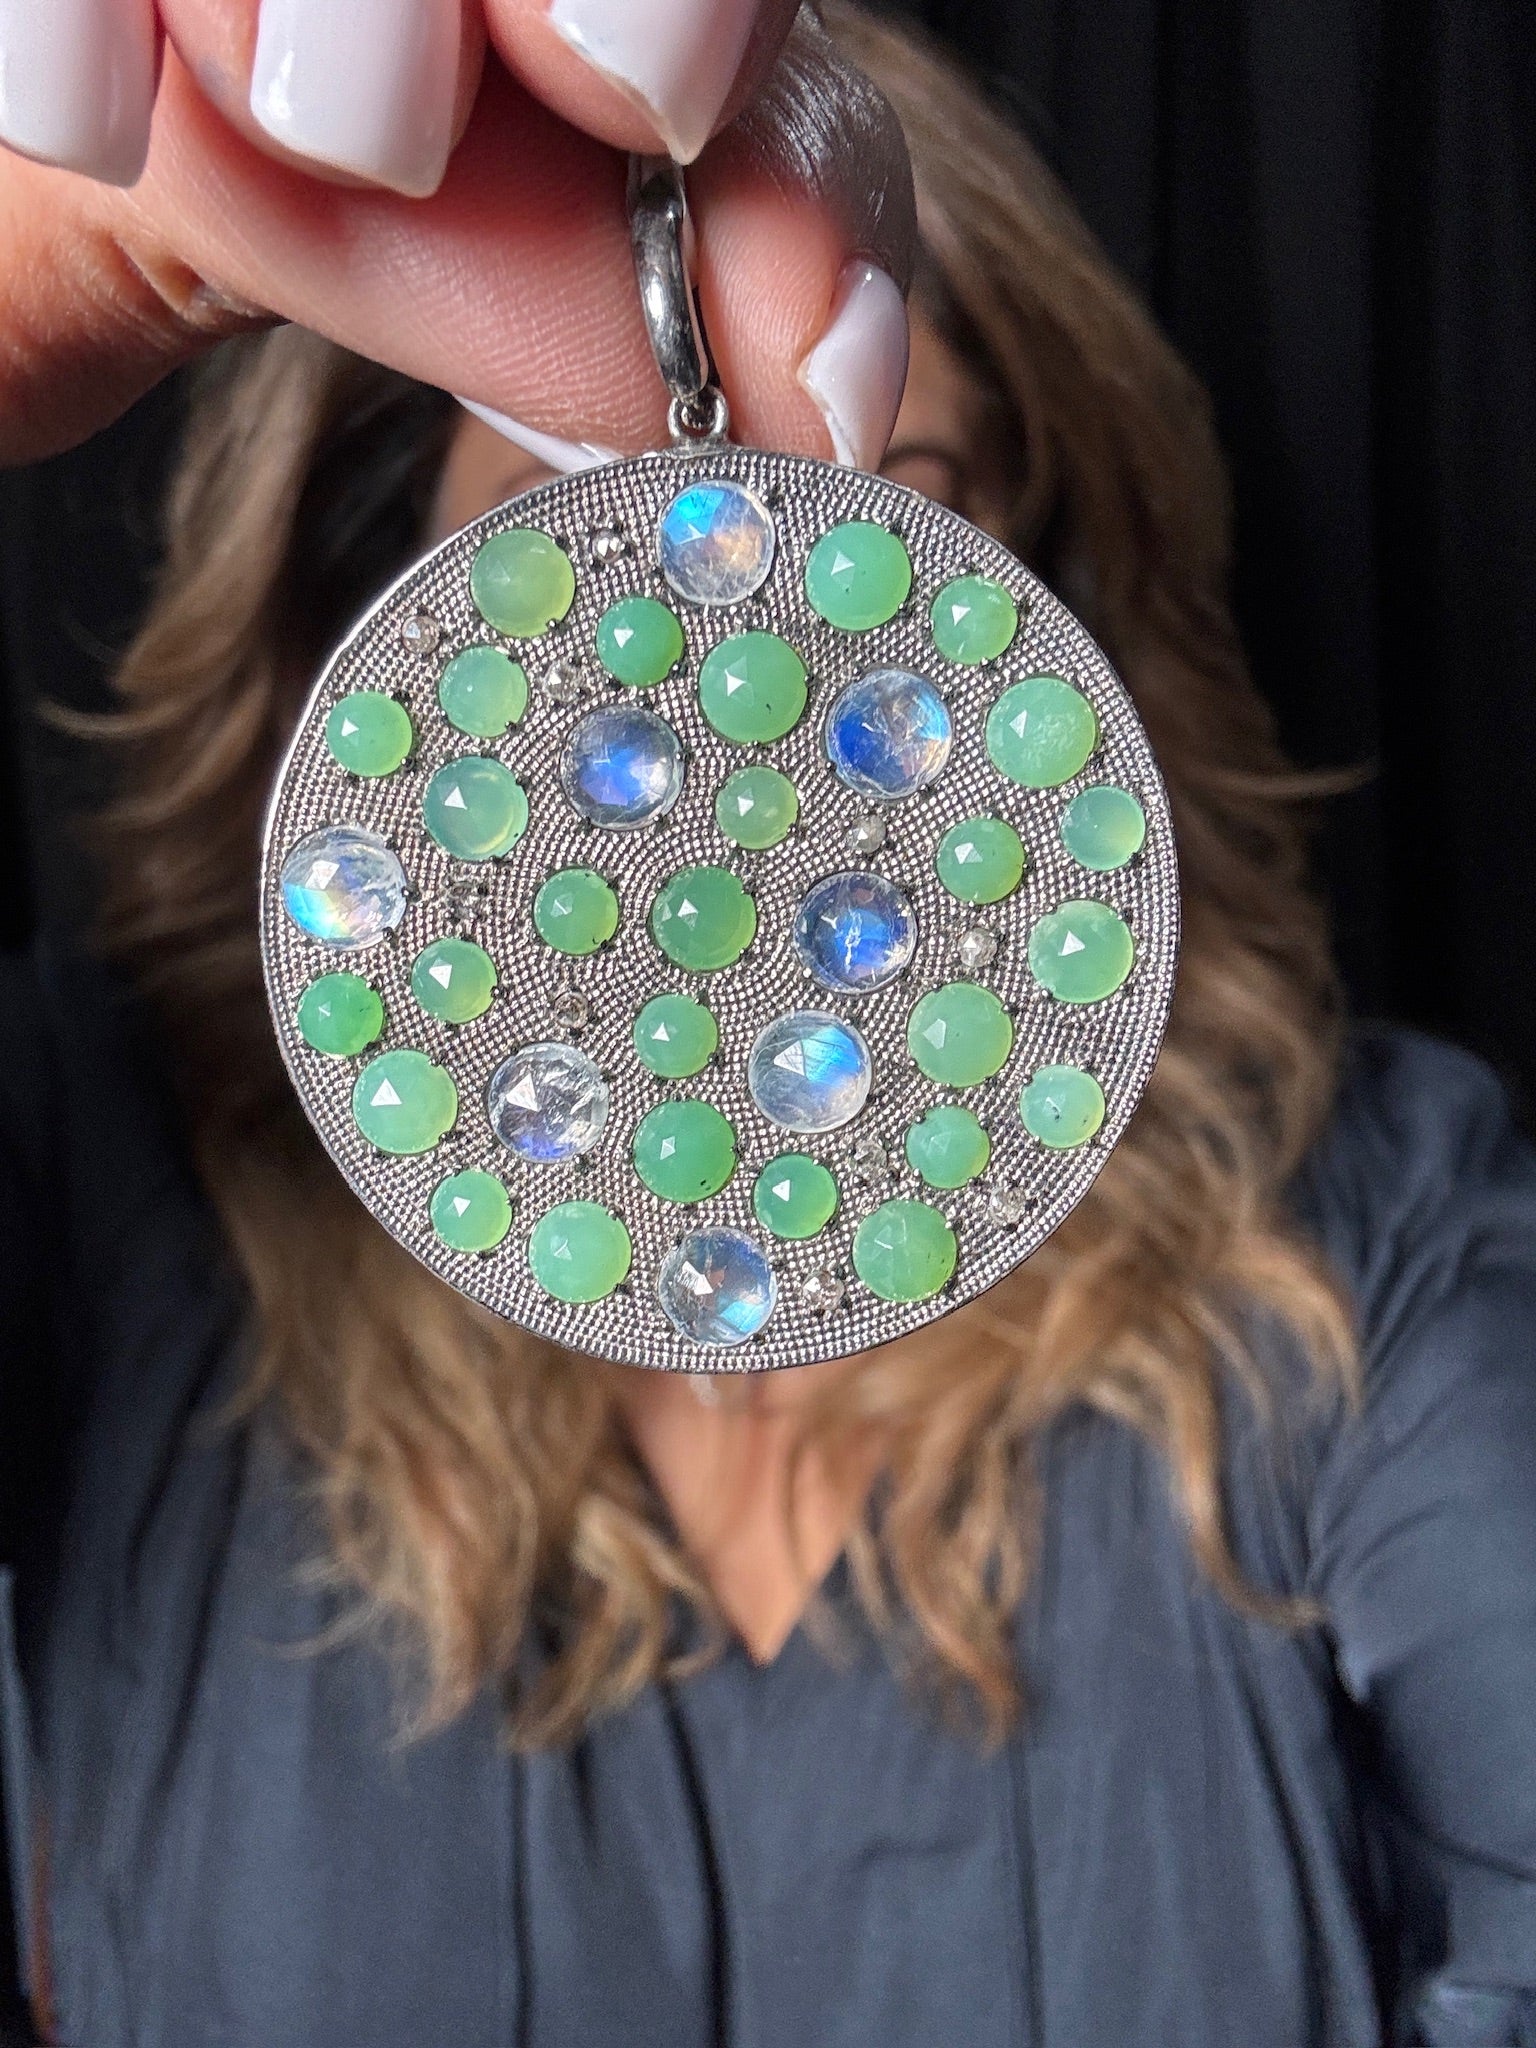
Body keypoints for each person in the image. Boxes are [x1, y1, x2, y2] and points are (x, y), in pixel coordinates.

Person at [0, 4, 1533, 2044]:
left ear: (1039, 619)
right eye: (585, 547)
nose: (742, 703)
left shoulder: (1370, 1244)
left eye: (882, 548)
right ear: (385, 638)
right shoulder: (89, 1194)